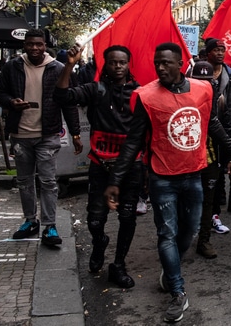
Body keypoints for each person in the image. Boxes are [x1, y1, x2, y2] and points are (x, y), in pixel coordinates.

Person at [105, 42, 231, 323]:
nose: (160, 67)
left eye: (166, 63)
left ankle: (170, 271)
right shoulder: (146, 96)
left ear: (180, 64)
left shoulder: (203, 89)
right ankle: (177, 291)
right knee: (166, 233)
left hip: (194, 174)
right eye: (157, 62)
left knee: (189, 232)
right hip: (162, 178)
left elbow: (211, 123)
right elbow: (133, 142)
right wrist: (116, 179)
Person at [54, 44, 140, 287]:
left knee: (127, 218)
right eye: (113, 62)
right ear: (106, 64)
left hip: (130, 167)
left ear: (128, 64)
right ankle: (99, 242)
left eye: (122, 62)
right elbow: (61, 96)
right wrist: (70, 64)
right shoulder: (96, 90)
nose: (118, 66)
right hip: (100, 165)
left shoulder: (139, 92)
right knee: (94, 220)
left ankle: (119, 264)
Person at [0, 29, 83, 247]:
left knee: (48, 182)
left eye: (39, 44)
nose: (35, 48)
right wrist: (10, 103)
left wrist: (75, 133)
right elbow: (1, 94)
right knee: (25, 182)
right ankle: (29, 221)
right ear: (24, 45)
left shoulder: (58, 69)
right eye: (30, 44)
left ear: (45, 45)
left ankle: (50, 225)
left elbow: (68, 102)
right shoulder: (12, 66)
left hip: (48, 134)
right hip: (20, 134)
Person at [190, 60, 231, 260]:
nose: (204, 85)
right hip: (187, 160)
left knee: (208, 202)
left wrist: (230, 155)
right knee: (186, 201)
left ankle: (204, 240)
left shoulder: (219, 101)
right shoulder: (182, 99)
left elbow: (222, 130)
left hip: (210, 158)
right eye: (199, 81)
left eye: (208, 81)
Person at [203, 38, 231, 218]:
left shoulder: (229, 74)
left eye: (222, 50)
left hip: (225, 127)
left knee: (229, 165)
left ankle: (228, 203)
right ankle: (210, 206)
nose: (220, 53)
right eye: (216, 50)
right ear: (208, 52)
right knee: (209, 169)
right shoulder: (200, 70)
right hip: (205, 129)